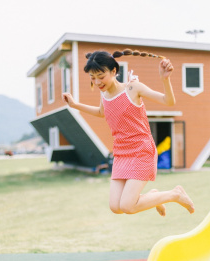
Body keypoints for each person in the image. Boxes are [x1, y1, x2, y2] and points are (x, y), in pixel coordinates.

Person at [62, 49, 194, 216]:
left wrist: (164, 79)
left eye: (101, 77)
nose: (97, 82)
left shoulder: (132, 88)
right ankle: (154, 196)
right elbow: (102, 112)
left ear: (114, 71)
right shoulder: (104, 94)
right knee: (115, 207)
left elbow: (168, 101)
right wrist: (75, 105)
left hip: (141, 150)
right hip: (121, 153)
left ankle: (174, 194)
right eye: (92, 78)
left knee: (127, 206)